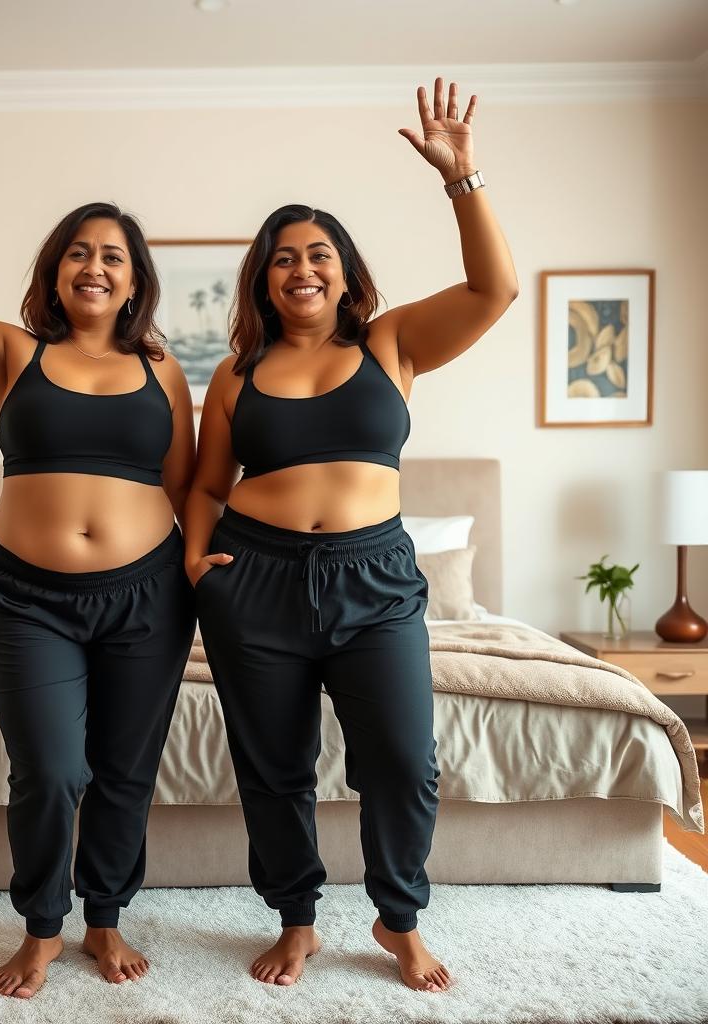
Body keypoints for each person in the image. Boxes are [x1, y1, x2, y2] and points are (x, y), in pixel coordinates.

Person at [184, 78, 518, 993]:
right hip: (253, 582)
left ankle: (397, 916)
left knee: (405, 760)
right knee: (273, 767)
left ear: (344, 270)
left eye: (318, 253)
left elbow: (498, 287)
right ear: (264, 278)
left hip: (373, 577)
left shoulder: (393, 344)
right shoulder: (236, 377)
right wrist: (194, 561)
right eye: (283, 257)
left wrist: (462, 177)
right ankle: (297, 920)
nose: (302, 268)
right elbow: (208, 483)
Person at [0, 91, 197, 1000]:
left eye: (113, 257)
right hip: (27, 598)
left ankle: (104, 920)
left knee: (126, 771)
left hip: (147, 596)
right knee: (52, 769)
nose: (95, 266)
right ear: (55, 272)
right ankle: (41, 927)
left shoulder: (161, 366)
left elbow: (187, 482)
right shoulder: (10, 354)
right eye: (79, 252)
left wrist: (210, 567)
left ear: (135, 282)